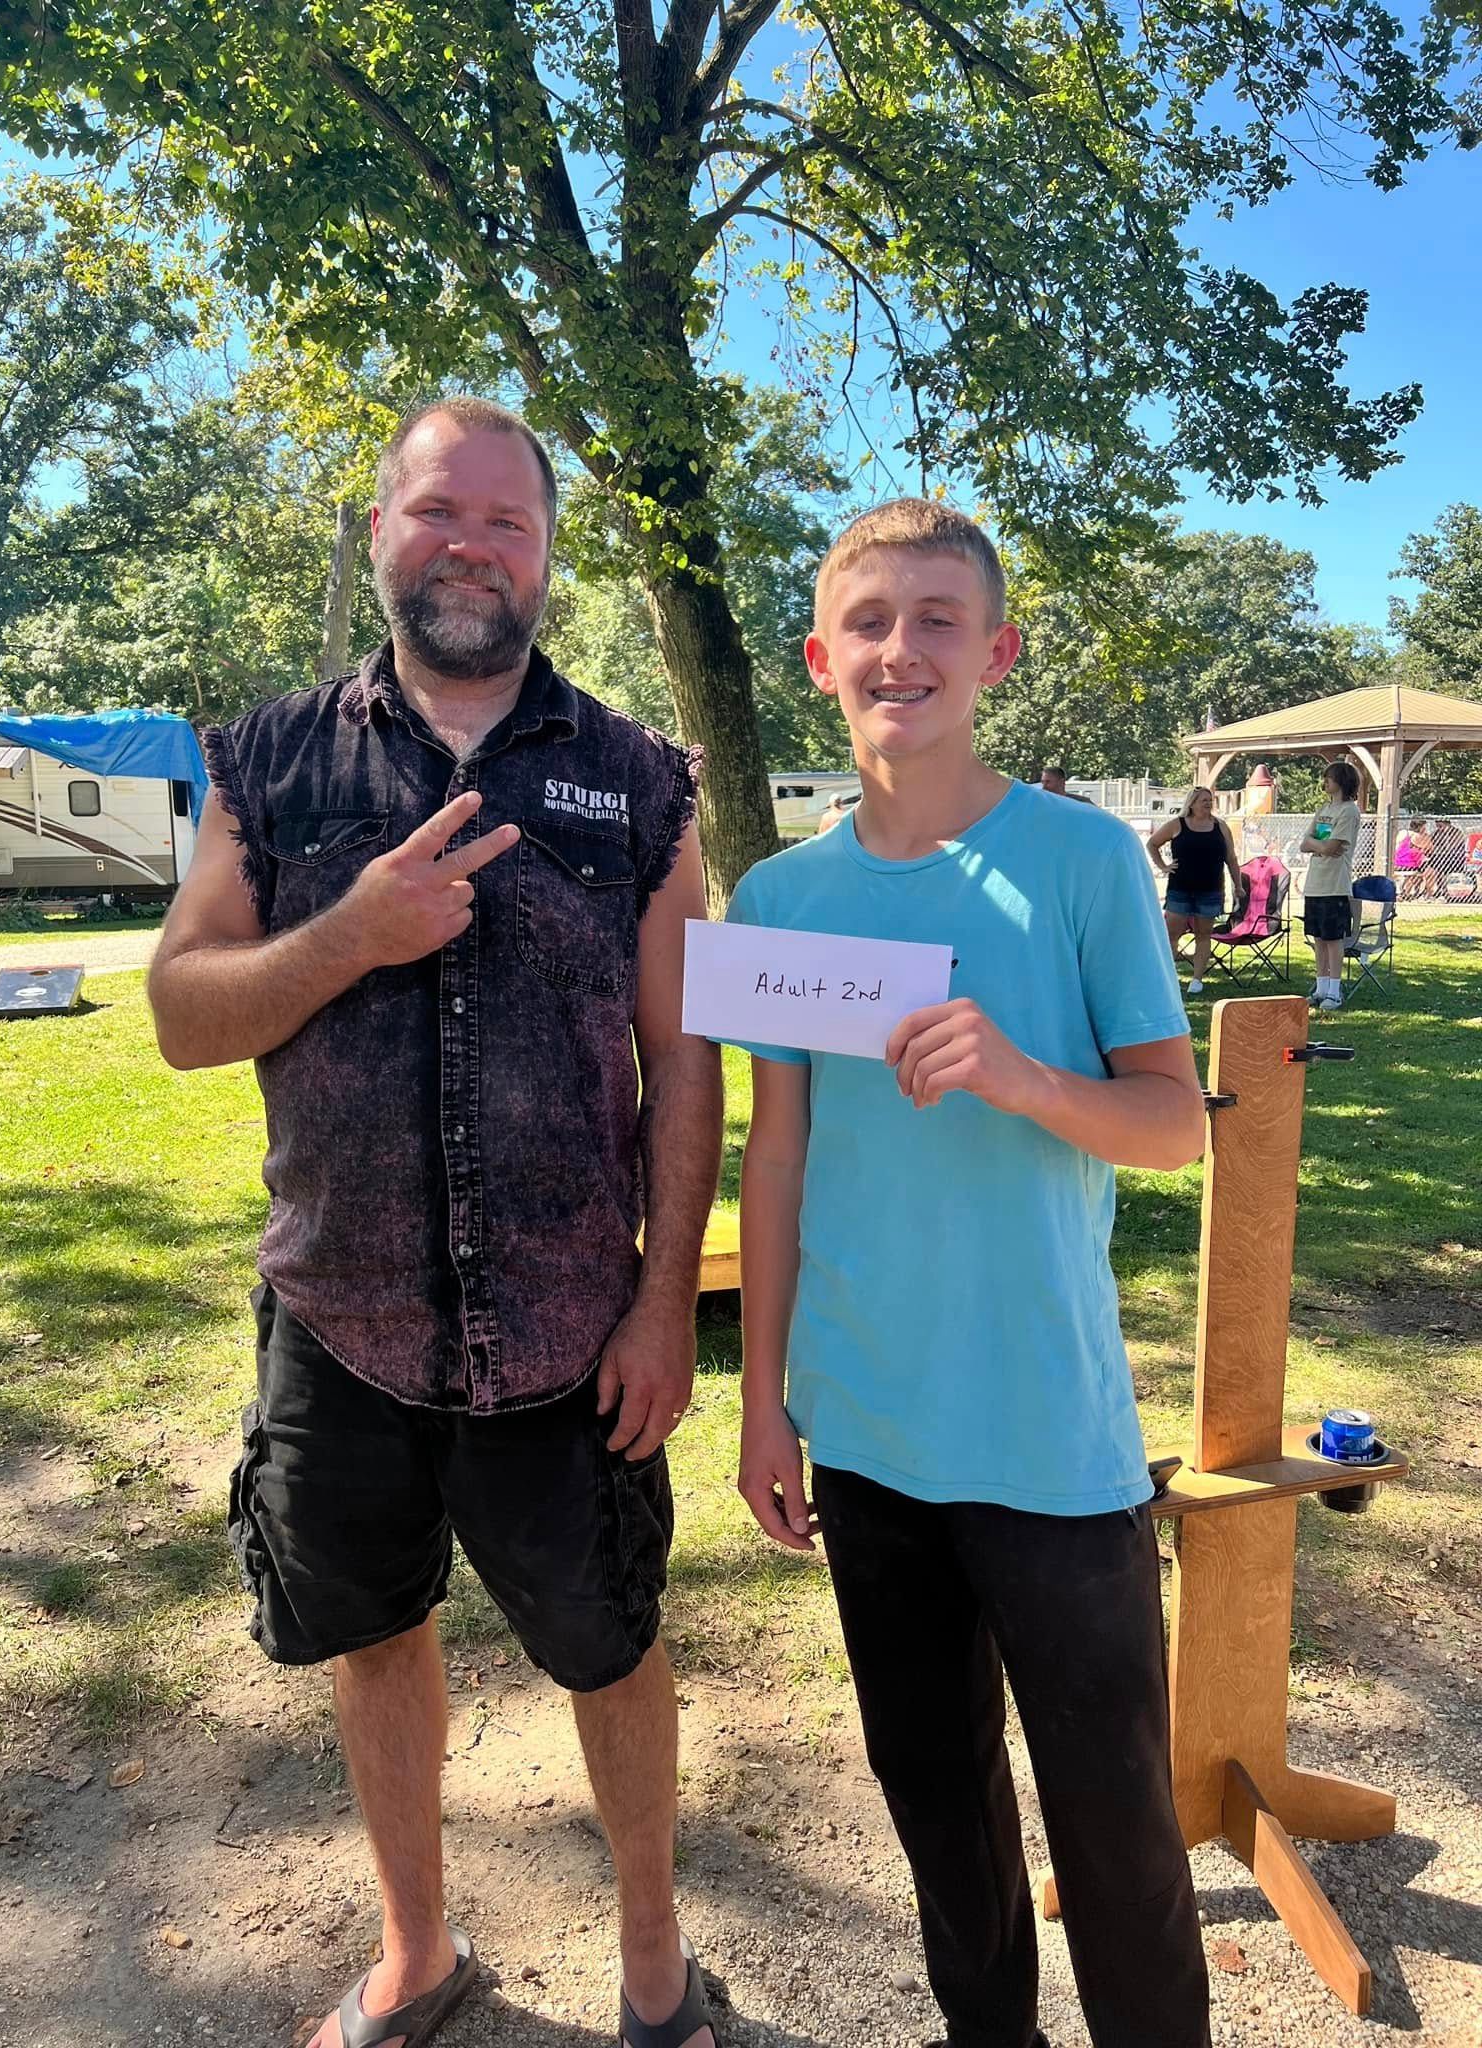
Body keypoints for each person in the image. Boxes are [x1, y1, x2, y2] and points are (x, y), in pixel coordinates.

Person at [148, 398, 723, 2048]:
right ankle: (419, 1945)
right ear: (385, 527)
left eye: (507, 520)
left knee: (610, 1647)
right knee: (374, 1633)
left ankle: (651, 1953)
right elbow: (188, 1011)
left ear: (548, 555)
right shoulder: (263, 763)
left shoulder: (641, 781)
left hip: (568, 1334)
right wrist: (355, 930)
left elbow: (683, 1059)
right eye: (437, 510)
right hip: (342, 1320)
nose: (471, 542)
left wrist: (663, 1294)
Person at [727, 498, 1211, 2048]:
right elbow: (780, 1154)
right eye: (871, 621)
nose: (902, 649)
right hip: (869, 1442)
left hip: (1054, 1449)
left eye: (940, 619)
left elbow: (1176, 1127)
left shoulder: (1082, 863)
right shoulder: (777, 900)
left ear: (995, 653)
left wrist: (1024, 1078)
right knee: (941, 1818)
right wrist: (764, 1408)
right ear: (821, 659)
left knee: (1118, 1840)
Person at [1148, 786, 1242, 996]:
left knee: (1203, 934)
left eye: (1210, 800)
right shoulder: (1177, 825)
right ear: (1192, 803)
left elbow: (1231, 858)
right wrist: (1163, 866)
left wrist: (1239, 885)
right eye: (1203, 800)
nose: (1208, 804)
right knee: (1173, 934)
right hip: (1180, 888)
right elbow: (1152, 844)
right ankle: (1168, 978)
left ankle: (1197, 979)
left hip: (1210, 889)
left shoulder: (1220, 826)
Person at [1300, 761, 1362, 1012]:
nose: (1325, 782)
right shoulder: (1324, 809)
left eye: (1329, 778)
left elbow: (1332, 846)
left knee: (1333, 938)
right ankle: (1321, 987)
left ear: (1342, 781)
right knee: (1318, 937)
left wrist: (1318, 844)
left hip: (1335, 885)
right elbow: (1305, 843)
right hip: (1314, 883)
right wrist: (1318, 845)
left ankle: (1335, 991)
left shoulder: (1348, 811)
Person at [1395, 817, 1430, 901]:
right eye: (1423, 827)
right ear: (1419, 827)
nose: (1424, 829)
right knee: (1427, 870)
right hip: (1409, 864)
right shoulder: (1416, 836)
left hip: (1397, 862)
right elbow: (1429, 847)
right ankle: (1416, 894)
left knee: (1417, 874)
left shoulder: (1403, 832)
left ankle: (1405, 893)